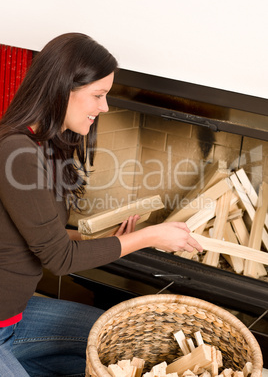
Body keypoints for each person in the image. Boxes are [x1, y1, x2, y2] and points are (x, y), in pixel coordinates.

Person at [0, 32, 203, 376]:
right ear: (62, 89)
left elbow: (42, 240)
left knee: (114, 337)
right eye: (98, 95)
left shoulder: (40, 145)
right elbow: (59, 260)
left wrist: (95, 237)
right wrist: (149, 236)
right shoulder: (16, 152)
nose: (105, 107)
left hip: (14, 319)